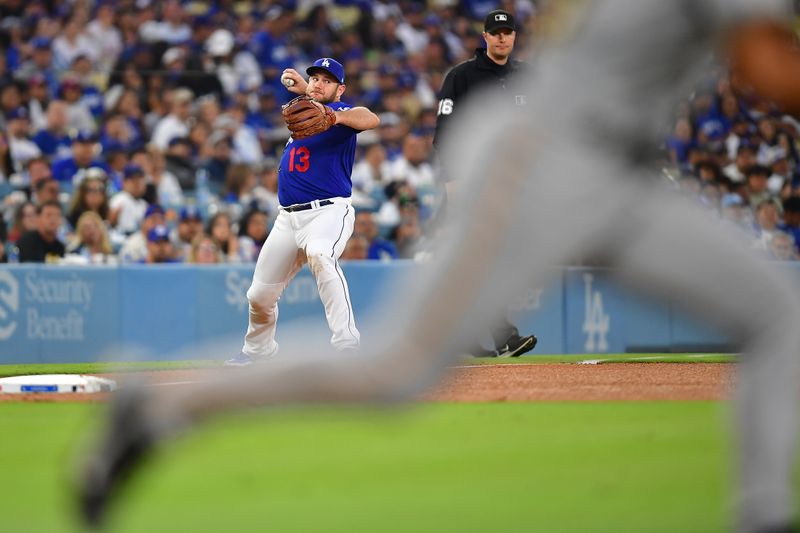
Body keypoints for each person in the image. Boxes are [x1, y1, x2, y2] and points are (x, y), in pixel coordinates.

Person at [78, 5, 800, 533]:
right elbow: (768, 63)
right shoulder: (373, 95)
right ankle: (157, 408)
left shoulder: (346, 107)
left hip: (620, 172)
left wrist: (325, 104)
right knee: (394, 372)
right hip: (548, 161)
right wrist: (311, 98)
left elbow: (361, 116)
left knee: (778, 312)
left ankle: (764, 513)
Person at [223, 57, 380, 366]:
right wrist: (307, 90)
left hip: (327, 212)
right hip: (287, 219)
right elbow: (312, 103)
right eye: (316, 78)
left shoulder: (342, 115)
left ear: (340, 89)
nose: (319, 83)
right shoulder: (304, 114)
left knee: (322, 255)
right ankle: (258, 351)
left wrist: (334, 115)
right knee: (258, 296)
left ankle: (347, 347)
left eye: (327, 80)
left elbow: (370, 119)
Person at [432, 9, 537, 359]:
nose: (503, 37)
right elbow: (444, 133)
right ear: (485, 36)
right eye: (496, 32)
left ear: (514, 37)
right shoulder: (462, 76)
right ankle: (503, 334)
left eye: (508, 32)